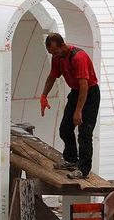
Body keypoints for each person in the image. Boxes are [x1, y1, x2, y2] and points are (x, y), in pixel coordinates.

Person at [40, 33, 100, 179]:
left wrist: (78, 111)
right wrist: (44, 95)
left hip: (89, 94)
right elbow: (52, 76)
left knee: (84, 133)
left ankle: (83, 169)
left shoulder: (78, 57)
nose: (54, 55)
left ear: (63, 45)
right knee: (65, 129)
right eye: (51, 53)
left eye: (55, 52)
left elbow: (84, 86)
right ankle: (71, 159)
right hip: (76, 92)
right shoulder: (58, 58)